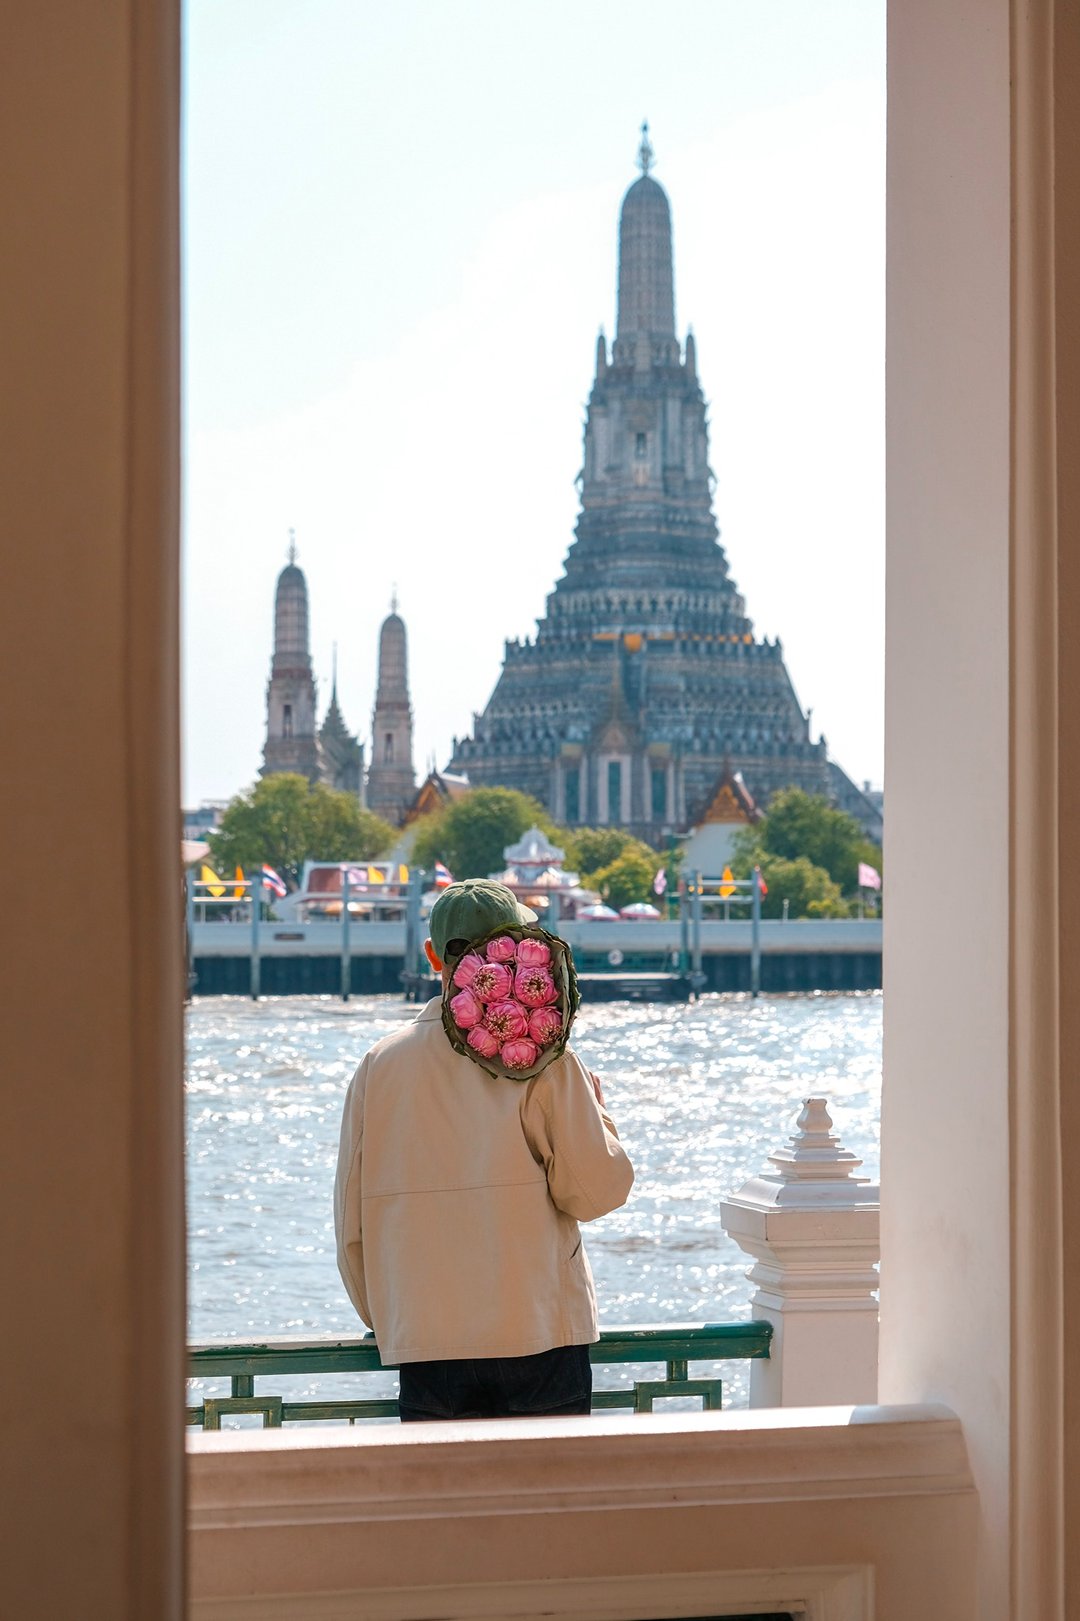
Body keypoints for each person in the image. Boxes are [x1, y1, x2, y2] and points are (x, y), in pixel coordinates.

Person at [334, 878, 634, 1421]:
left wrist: (392, 1319)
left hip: (426, 1342)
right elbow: (597, 1193)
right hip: (538, 1333)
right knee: (551, 1481)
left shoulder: (379, 1065)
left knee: (446, 1482)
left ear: (432, 957)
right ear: (518, 945)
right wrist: (599, 1112)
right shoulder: (544, 1056)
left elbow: (351, 1223)